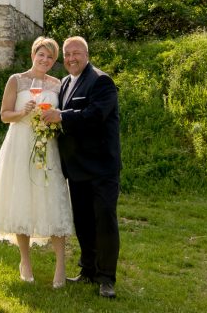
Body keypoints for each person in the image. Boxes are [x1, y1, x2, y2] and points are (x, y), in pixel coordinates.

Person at [0, 36, 74, 287]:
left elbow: (62, 115)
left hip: (47, 146)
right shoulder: (16, 80)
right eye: (41, 54)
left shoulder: (58, 84)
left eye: (50, 57)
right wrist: (23, 112)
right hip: (20, 144)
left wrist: (51, 120)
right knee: (20, 198)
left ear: (54, 61)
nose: (45, 60)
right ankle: (25, 261)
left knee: (53, 199)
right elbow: (4, 115)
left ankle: (60, 267)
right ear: (33, 54)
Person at [43, 36, 121, 298]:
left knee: (105, 221)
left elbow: (96, 115)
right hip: (76, 168)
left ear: (86, 54)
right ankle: (88, 271)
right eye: (67, 55)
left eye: (76, 53)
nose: (71, 58)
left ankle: (106, 278)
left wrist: (61, 116)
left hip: (101, 168)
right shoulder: (65, 83)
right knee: (84, 222)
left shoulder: (102, 81)